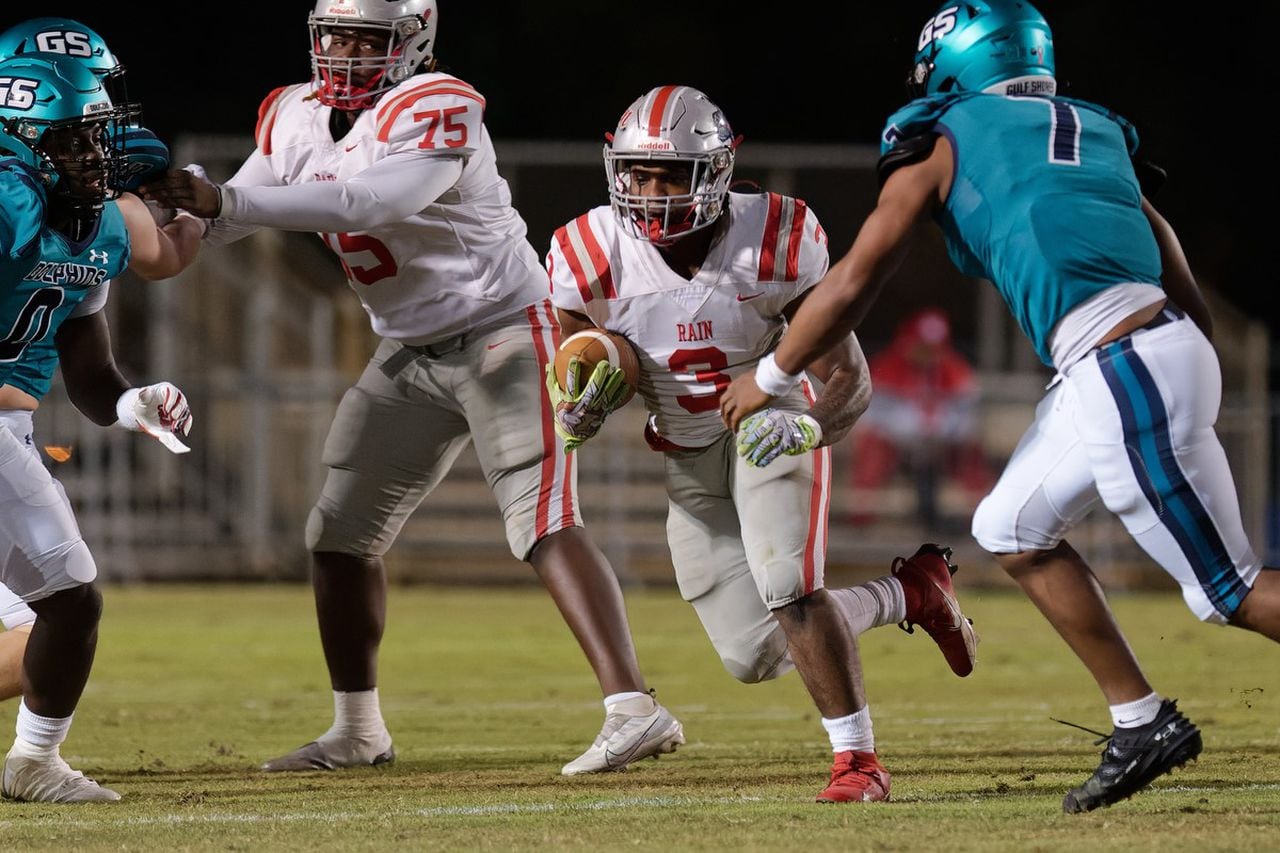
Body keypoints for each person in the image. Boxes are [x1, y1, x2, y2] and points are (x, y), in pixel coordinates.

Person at [720, 0, 1280, 814]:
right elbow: (1167, 246)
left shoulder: (948, 132)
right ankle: (1142, 720)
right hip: (1138, 349)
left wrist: (770, 373)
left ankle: (1146, 719)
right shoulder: (1094, 127)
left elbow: (854, 277)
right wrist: (1187, 341)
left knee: (1227, 589)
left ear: (957, 66)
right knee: (1010, 527)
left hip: (1124, 360)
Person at [139, 0, 682, 775]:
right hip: (410, 347)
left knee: (543, 519)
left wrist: (219, 198)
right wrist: (136, 215)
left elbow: (372, 202)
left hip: (505, 328)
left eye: (367, 38)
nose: (345, 53)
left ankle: (636, 708)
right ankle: (359, 731)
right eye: (334, 36)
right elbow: (214, 225)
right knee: (337, 536)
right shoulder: (293, 114)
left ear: (412, 42)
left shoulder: (441, 104)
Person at [544, 85, 978, 802]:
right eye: (638, 173)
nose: (650, 193)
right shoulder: (584, 250)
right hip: (685, 453)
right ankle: (913, 591)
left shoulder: (777, 237)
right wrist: (577, 409)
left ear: (716, 173)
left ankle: (858, 762)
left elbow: (851, 380)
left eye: (671, 174)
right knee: (752, 654)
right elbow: (582, 363)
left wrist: (804, 425)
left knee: (789, 586)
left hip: (767, 431)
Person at [0, 53, 202, 802]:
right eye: (70, 141)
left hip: (14, 433)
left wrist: (132, 403)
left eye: (96, 136)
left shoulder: (96, 229)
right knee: (73, 597)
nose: (93, 157)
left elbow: (89, 377)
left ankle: (31, 759)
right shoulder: (7, 202)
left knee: (38, 644)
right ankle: (32, 763)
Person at [849, 307, 992, 529]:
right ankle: (862, 514)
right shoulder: (887, 365)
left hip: (940, 440)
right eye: (920, 345)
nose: (926, 353)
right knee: (872, 443)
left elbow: (968, 412)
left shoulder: (951, 367)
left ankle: (982, 514)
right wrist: (911, 430)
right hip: (898, 439)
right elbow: (871, 417)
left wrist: (942, 432)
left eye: (932, 348)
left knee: (970, 448)